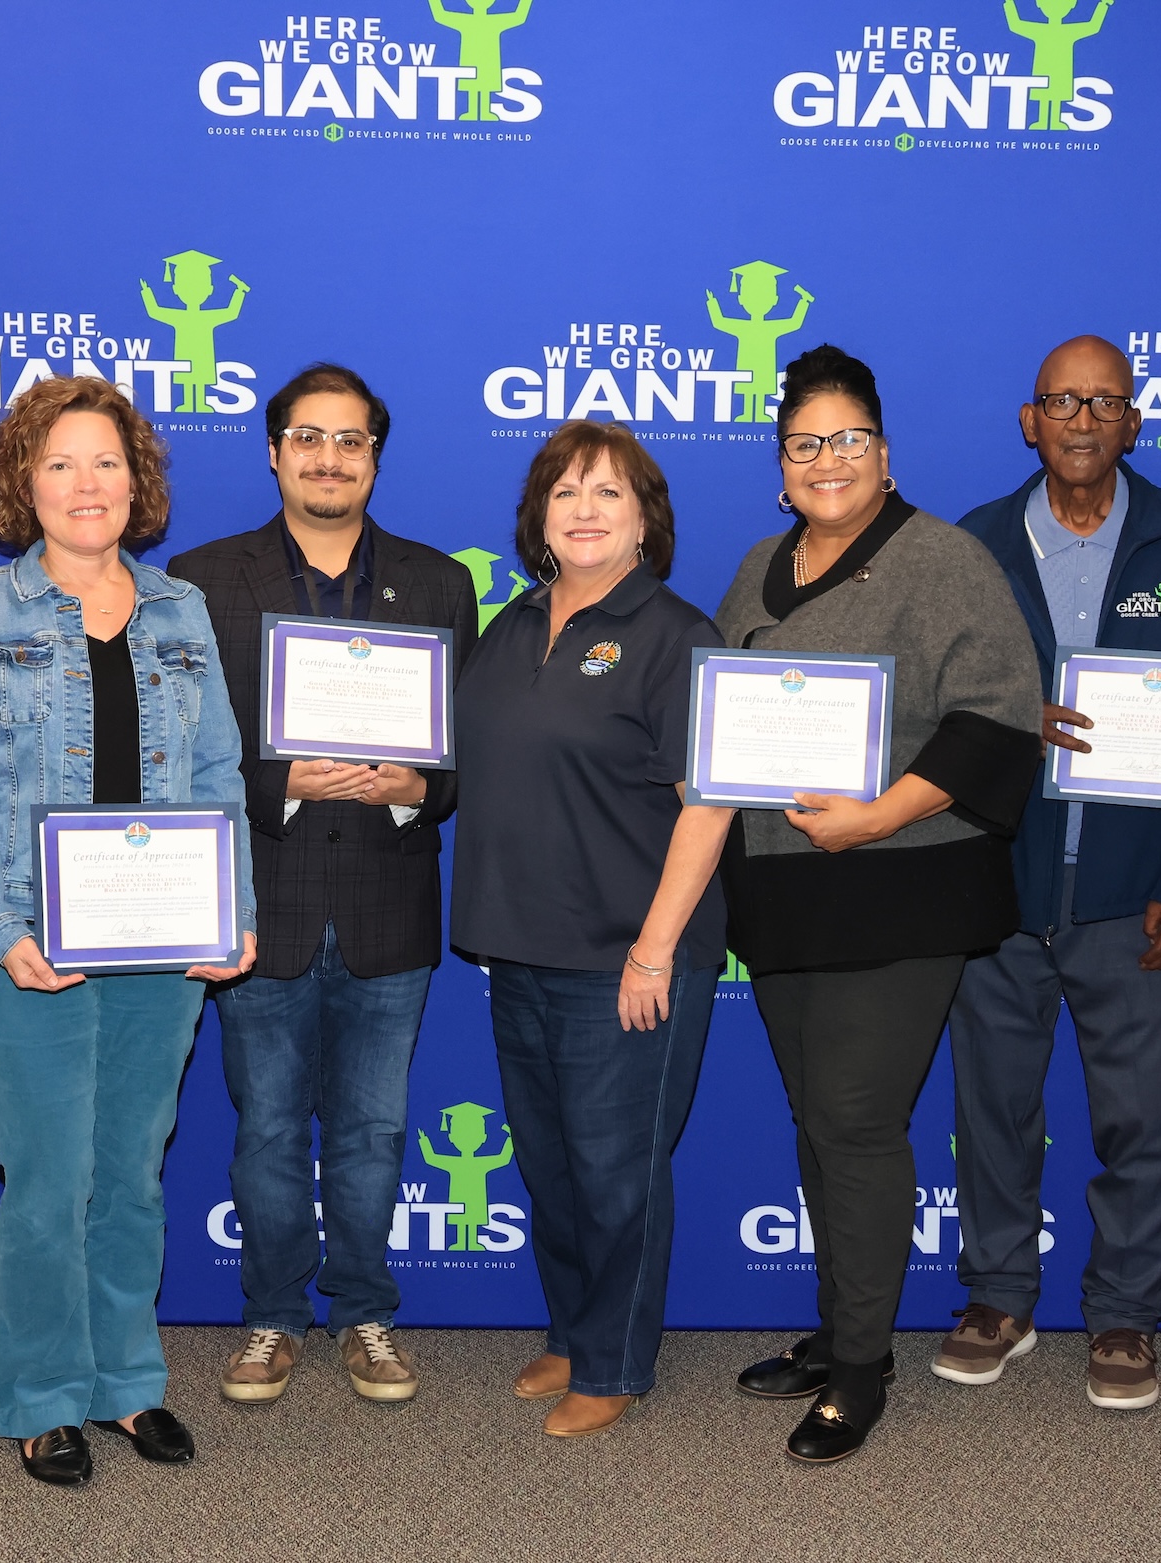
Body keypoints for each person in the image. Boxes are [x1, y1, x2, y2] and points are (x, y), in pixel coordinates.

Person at [0, 376, 257, 1486]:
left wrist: (232, 908)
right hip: (27, 946)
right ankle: (41, 1392)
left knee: (133, 1175)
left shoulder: (179, 609)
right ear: (24, 481)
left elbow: (216, 772)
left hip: (161, 943)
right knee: (51, 1179)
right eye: (58, 462)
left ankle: (125, 1383)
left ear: (138, 479)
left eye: (106, 461)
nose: (85, 483)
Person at [717, 345, 1043, 1464]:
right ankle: (841, 1327)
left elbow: (998, 722)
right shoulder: (760, 563)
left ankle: (861, 1367)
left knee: (855, 1122)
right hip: (780, 895)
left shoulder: (944, 560)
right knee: (820, 1123)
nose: (826, 460)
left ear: (886, 455)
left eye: (847, 440)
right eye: (805, 444)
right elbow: (728, 718)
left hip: (899, 889)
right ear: (780, 467)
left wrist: (876, 815)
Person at [940, 336, 1161, 1411]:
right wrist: (1002, 725)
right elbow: (925, 706)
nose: (1082, 420)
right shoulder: (972, 544)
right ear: (1030, 422)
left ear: (1134, 421)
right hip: (995, 889)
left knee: (1141, 1124)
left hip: (1137, 899)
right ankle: (997, 1298)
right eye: (1061, 402)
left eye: (1104, 403)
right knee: (990, 1111)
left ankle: (1123, 1318)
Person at [167, 364, 480, 1406]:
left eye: (351, 441)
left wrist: (414, 788)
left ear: (375, 458)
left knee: (375, 1133)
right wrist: (279, 777)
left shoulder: (439, 584)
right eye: (309, 437)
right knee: (263, 1131)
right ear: (273, 450)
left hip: (390, 905)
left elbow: (463, 756)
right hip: (263, 904)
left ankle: (365, 1313)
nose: (329, 457)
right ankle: (268, 1317)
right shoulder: (205, 580)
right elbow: (182, 742)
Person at [451, 421, 732, 1440]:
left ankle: (615, 1366)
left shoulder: (674, 634)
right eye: (564, 491)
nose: (583, 509)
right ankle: (575, 1329)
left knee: (618, 1170)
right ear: (537, 515)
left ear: (644, 518)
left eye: (609, 493)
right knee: (552, 1165)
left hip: (628, 954)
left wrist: (654, 948)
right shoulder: (515, 624)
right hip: (521, 944)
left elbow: (708, 803)